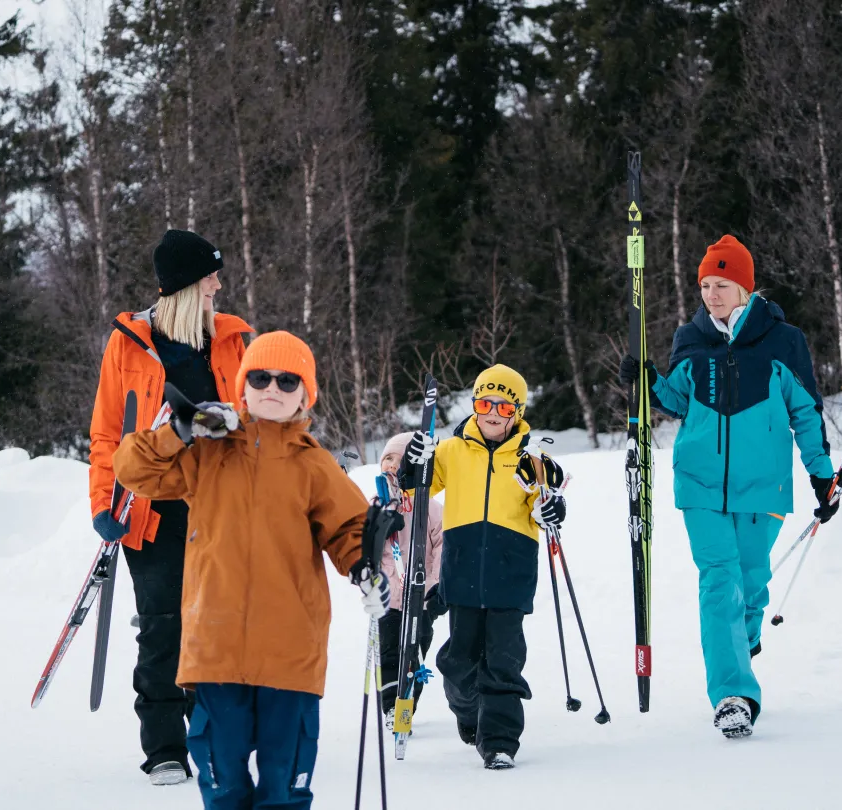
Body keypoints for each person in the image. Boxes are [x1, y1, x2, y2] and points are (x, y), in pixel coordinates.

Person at [113, 330, 395, 810]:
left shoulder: (314, 465)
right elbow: (133, 471)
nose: (272, 388)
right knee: (221, 776)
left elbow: (350, 528)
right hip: (216, 644)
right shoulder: (207, 451)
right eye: (260, 377)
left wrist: (368, 569)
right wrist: (179, 430)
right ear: (242, 387)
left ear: (305, 396)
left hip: (290, 648)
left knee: (284, 780)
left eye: (288, 381)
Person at [618, 234, 836, 739]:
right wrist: (646, 378)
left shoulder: (784, 340)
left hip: (764, 488)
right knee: (719, 582)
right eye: (705, 285)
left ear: (745, 287)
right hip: (700, 485)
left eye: (722, 284)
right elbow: (676, 400)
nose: (711, 294)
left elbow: (805, 411)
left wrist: (820, 472)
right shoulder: (690, 338)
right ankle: (733, 695)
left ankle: (741, 639)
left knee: (751, 585)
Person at [88, 229, 254, 785]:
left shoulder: (233, 339)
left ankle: (210, 730)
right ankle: (163, 745)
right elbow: (107, 433)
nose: (219, 285)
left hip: (219, 505)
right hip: (152, 506)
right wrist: (101, 501)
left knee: (217, 625)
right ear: (184, 286)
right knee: (163, 626)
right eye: (211, 276)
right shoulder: (129, 344)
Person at [396, 365, 567, 770]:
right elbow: (414, 487)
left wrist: (552, 509)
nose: (492, 412)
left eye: (503, 405)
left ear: (517, 410)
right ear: (474, 405)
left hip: (512, 573)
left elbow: (545, 501)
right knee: (459, 660)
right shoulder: (453, 451)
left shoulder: (533, 456)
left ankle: (500, 741)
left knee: (504, 662)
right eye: (484, 403)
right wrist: (412, 463)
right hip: (463, 572)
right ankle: (470, 712)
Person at [374, 432, 446, 726]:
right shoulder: (376, 504)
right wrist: (378, 527)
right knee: (390, 653)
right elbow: (363, 546)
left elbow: (444, 546)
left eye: (398, 459)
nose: (391, 465)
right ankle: (393, 707)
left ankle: (408, 704)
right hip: (388, 597)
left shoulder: (430, 507)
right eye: (387, 459)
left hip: (421, 599)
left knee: (413, 654)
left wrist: (435, 584)